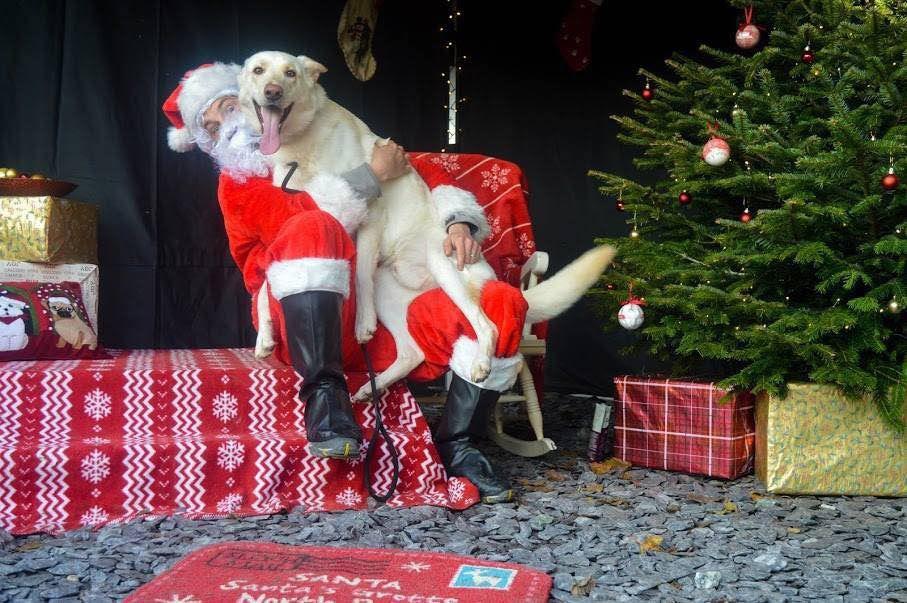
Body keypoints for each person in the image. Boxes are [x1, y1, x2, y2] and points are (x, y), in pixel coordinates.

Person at [162, 62, 527, 503]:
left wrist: (459, 221)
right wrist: (370, 177)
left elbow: (417, 166)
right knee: (313, 227)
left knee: (501, 302)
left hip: (388, 319)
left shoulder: (326, 131)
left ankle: (460, 445)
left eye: (226, 107)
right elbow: (302, 221)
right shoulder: (238, 184)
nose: (225, 126)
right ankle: (325, 398)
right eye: (210, 126)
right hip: (313, 329)